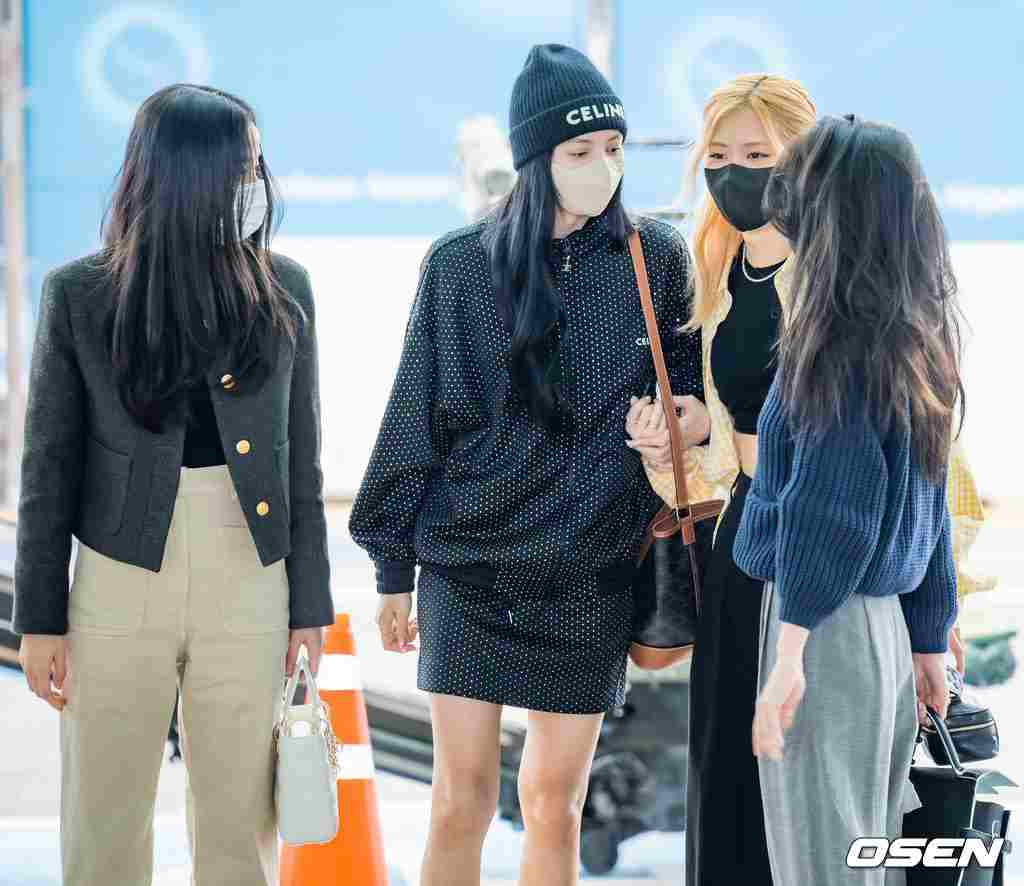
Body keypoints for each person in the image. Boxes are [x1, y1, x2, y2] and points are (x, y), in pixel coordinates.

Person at [348, 44, 706, 886]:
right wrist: (392, 570)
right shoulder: (459, 265)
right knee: (460, 800)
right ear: (535, 160)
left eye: (614, 147)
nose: (603, 167)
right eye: (581, 151)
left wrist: (674, 429)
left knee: (555, 802)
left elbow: (695, 401)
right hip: (469, 571)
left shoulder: (657, 259)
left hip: (589, 572)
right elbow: (415, 418)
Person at [13, 84, 333, 886]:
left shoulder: (285, 287)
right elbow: (47, 468)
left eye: (257, 165)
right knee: (105, 817)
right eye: (242, 168)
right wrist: (39, 619)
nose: (257, 183)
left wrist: (310, 608)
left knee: (240, 823)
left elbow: (302, 463)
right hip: (118, 572)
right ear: (190, 176)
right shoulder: (81, 294)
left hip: (250, 570)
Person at [733, 113, 961, 884]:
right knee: (865, 857)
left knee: (822, 861)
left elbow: (828, 512)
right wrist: (928, 637)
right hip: (882, 632)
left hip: (824, 630)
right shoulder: (913, 333)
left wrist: (789, 654)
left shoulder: (834, 345)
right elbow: (929, 505)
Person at [629, 73, 816, 885]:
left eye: (757, 156)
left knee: (805, 772)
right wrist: (682, 431)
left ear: (804, 160)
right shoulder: (719, 267)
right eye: (717, 156)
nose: (734, 173)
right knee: (728, 764)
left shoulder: (839, 276)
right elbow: (724, 439)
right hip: (742, 533)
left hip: (823, 535)